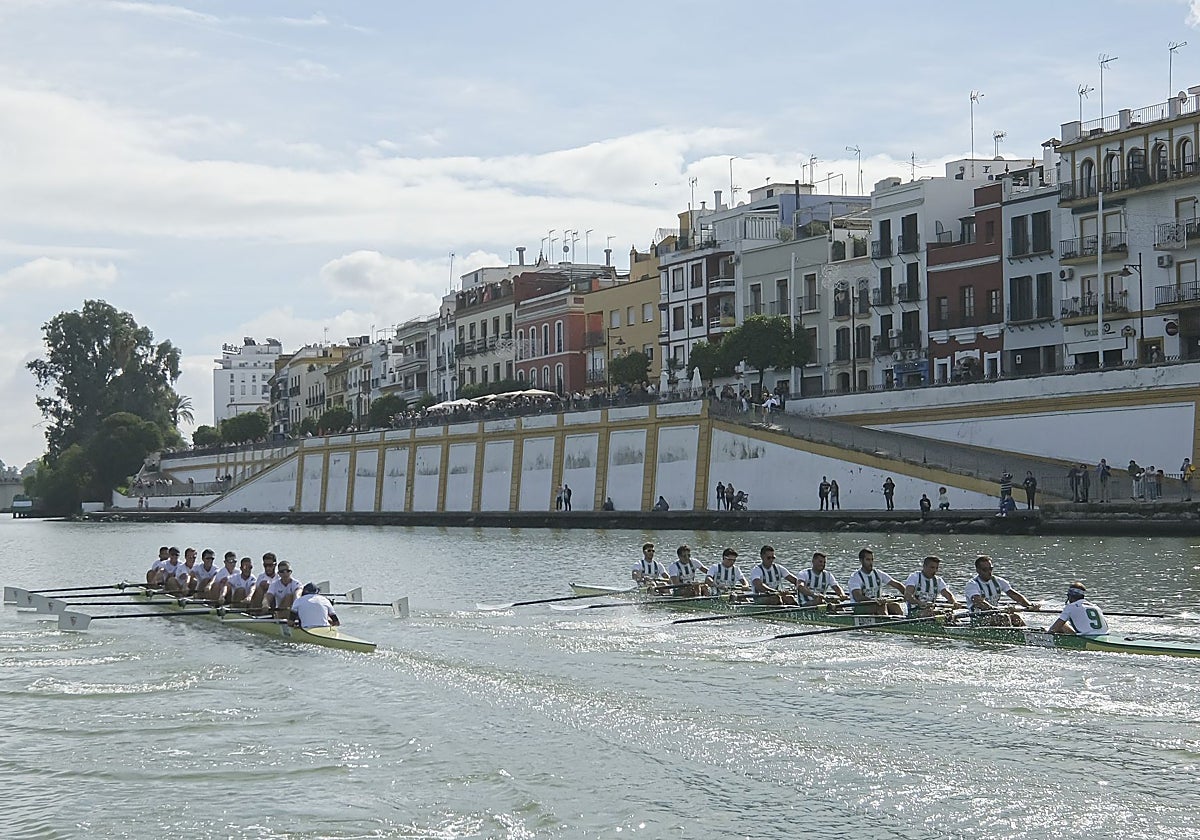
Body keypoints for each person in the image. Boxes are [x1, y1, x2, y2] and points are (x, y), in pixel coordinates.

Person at [963, 555, 1037, 626]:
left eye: (991, 569)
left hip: (995, 614)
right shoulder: (972, 584)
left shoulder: (998, 581)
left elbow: (1015, 596)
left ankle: (1028, 634)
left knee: (1015, 617)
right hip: (978, 619)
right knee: (1004, 617)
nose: (989, 572)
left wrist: (1029, 606)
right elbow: (978, 602)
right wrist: (997, 609)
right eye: (985, 570)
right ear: (978, 571)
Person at [846, 548, 906, 615]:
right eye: (868, 560)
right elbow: (858, 597)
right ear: (861, 561)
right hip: (859, 607)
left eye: (872, 560)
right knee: (880, 607)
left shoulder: (878, 573)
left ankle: (902, 622)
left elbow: (897, 585)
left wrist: (908, 595)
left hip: (877, 604)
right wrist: (874, 601)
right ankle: (885, 623)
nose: (871, 563)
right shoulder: (855, 577)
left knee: (895, 606)